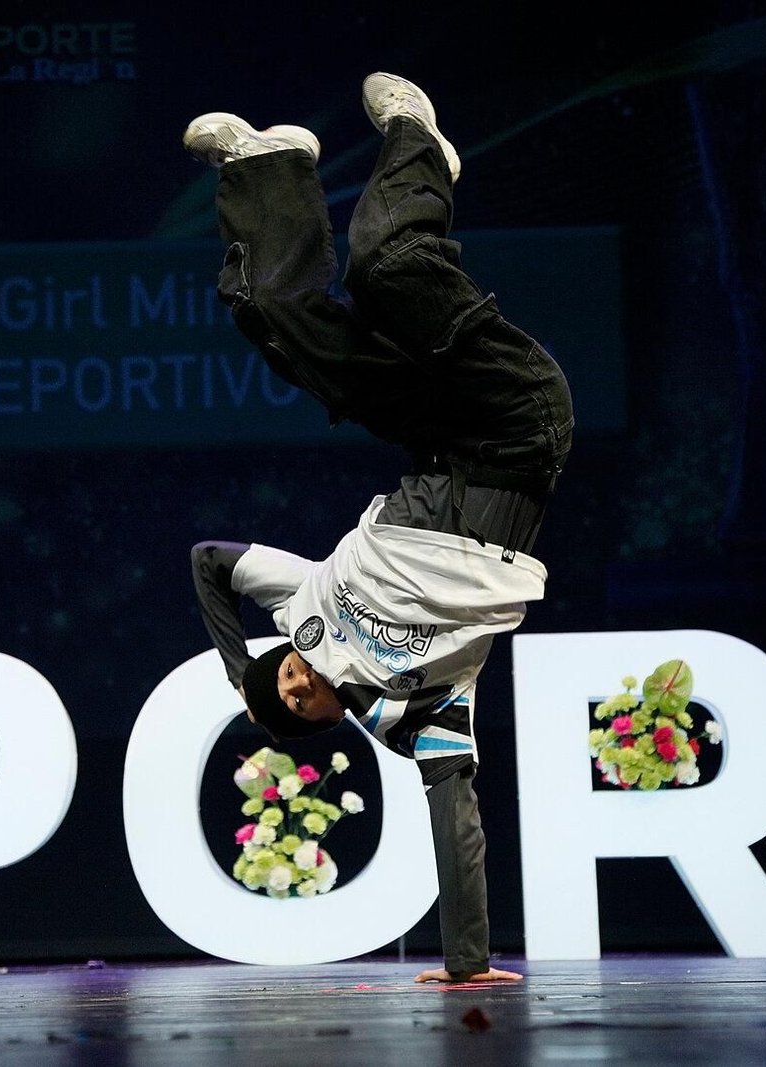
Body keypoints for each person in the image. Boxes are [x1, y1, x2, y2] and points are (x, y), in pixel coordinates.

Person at [184, 74, 573, 983]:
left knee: (275, 318)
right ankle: (419, 148)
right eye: (300, 691)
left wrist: (242, 669)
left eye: (285, 667)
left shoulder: (305, 607)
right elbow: (457, 818)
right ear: (327, 719)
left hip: (434, 435)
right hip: (517, 430)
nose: (300, 670)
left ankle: (269, 164)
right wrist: (468, 963)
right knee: (387, 266)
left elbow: (209, 561)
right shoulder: (415, 709)